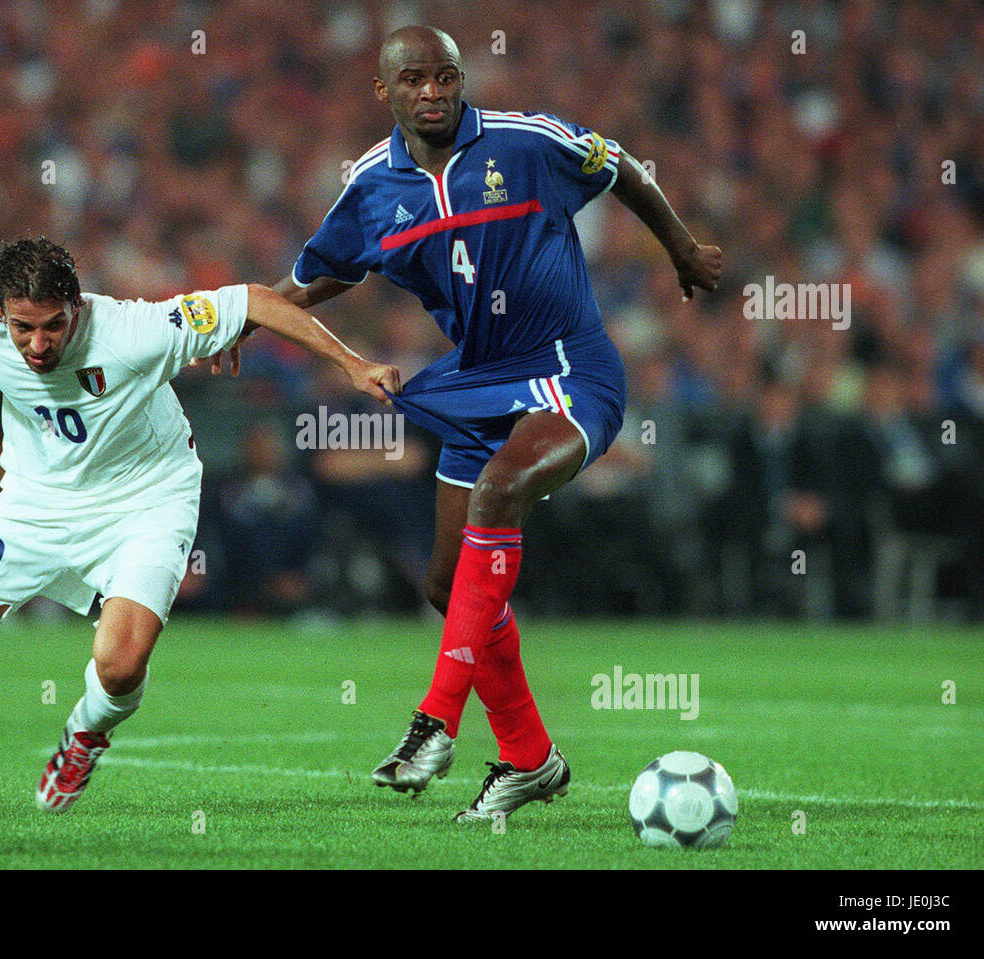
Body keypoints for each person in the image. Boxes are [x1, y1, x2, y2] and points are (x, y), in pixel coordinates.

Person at [0, 236, 398, 813]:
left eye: (54, 326)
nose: (38, 346)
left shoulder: (135, 329)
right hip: (35, 503)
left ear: (78, 309)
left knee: (119, 666)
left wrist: (352, 365)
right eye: (23, 329)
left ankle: (85, 734)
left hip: (147, 500)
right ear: (1, 317)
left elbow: (256, 299)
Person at [271, 26, 723, 821]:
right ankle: (529, 758)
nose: (435, 92)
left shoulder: (524, 142)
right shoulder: (373, 186)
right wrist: (244, 324)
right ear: (385, 92)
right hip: (479, 380)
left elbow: (618, 164)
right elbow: (315, 278)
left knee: (500, 487)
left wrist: (681, 247)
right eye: (415, 80)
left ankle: (433, 723)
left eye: (446, 76)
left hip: (568, 368)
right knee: (449, 586)